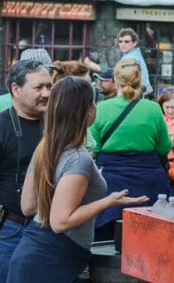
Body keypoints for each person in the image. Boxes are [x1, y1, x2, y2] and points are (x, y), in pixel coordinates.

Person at [8, 77, 147, 282]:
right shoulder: (78, 158)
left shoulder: (45, 147)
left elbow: (28, 206)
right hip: (51, 259)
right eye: (93, 102)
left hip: (30, 253)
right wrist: (109, 201)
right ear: (87, 110)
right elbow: (60, 221)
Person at [88, 59, 171, 241]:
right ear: (140, 82)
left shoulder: (101, 108)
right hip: (149, 183)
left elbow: (93, 148)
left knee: (107, 240)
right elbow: (164, 147)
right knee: (151, 238)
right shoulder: (153, 108)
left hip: (111, 183)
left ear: (116, 81)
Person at [0, 60, 52, 282]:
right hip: (11, 230)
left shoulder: (55, 125)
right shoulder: (2, 126)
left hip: (50, 230)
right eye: (39, 87)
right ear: (15, 89)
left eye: (49, 87)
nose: (47, 93)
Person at [116, 28, 152, 97]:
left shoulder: (130, 58)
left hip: (132, 95)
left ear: (135, 43)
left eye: (126, 42)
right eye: (120, 41)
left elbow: (125, 81)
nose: (122, 44)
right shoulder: (135, 55)